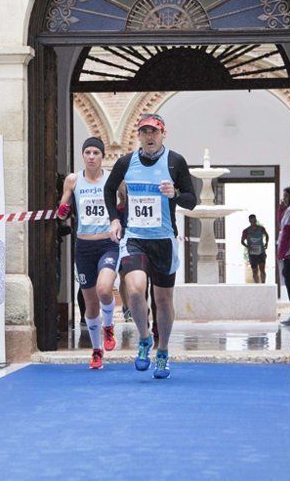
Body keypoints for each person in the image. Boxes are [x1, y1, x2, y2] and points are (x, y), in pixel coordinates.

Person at [105, 113, 196, 379]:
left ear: (163, 134)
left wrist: (175, 194)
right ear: (139, 136)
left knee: (163, 299)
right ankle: (144, 339)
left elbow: (192, 200)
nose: (149, 136)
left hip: (164, 240)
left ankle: (163, 351)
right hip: (135, 238)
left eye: (154, 132)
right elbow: (109, 189)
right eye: (144, 132)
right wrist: (114, 220)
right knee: (134, 291)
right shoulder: (126, 162)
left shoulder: (175, 162)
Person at [57, 136, 122, 370]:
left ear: (103, 156)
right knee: (90, 303)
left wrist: (119, 222)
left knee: (105, 288)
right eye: (88, 153)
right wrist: (62, 209)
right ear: (83, 156)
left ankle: (108, 326)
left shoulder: (112, 180)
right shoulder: (73, 180)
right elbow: (62, 209)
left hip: (107, 243)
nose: (92, 157)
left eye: (96, 153)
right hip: (83, 246)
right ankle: (96, 351)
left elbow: (123, 204)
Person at [277, 187, 290, 326]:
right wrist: (280, 207)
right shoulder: (288, 210)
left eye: (286, 196)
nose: (283, 199)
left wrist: (281, 253)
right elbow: (281, 224)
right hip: (288, 253)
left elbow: (287, 233)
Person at [241, 214, 269, 283]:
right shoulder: (246, 231)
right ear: (250, 221)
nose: (253, 221)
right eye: (252, 220)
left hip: (261, 252)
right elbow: (242, 241)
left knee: (262, 269)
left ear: (256, 220)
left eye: (254, 220)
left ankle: (263, 283)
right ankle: (257, 285)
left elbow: (267, 235)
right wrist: (248, 247)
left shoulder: (261, 228)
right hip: (252, 253)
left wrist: (266, 243)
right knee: (254, 270)